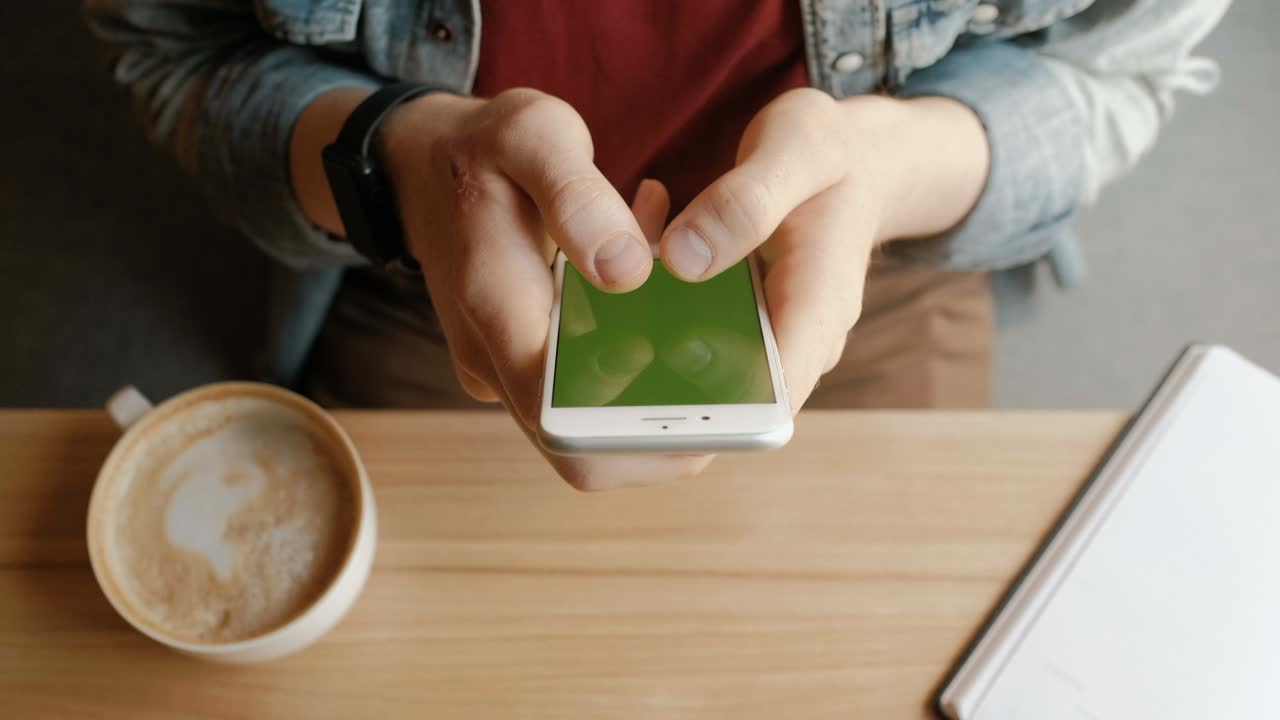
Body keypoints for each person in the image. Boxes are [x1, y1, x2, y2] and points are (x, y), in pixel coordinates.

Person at [86, 0, 1228, 489]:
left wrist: (886, 169)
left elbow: (1116, 67)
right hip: (423, 262)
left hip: (879, 261)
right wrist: (401, 166)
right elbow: (179, 55)